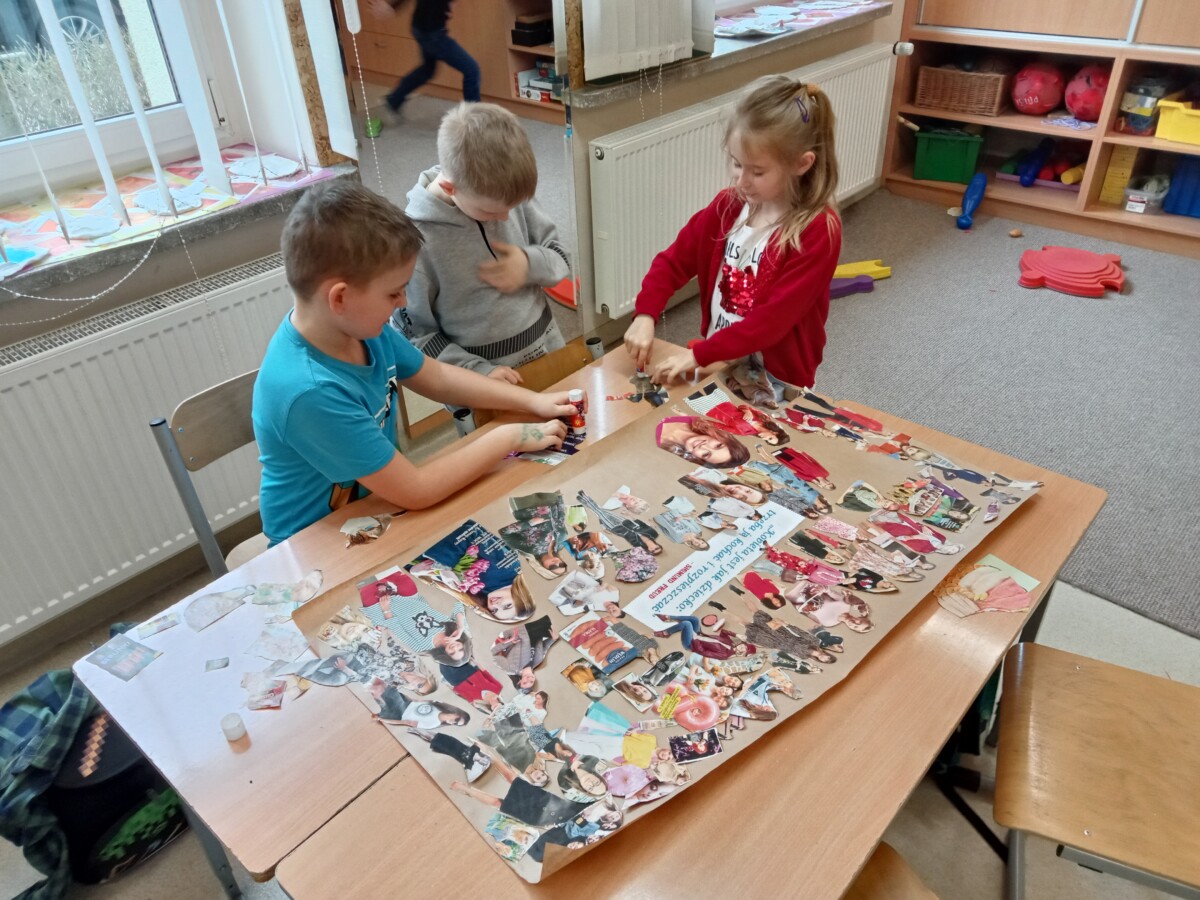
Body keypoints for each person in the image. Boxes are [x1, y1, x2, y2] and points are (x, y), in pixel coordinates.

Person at [252, 181, 572, 546]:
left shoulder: (357, 328)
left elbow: (437, 376)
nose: (403, 302)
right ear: (340, 298)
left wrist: (531, 401)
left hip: (379, 511)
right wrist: (510, 435)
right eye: (393, 292)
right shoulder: (309, 391)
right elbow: (417, 489)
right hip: (315, 545)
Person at [624, 74, 841, 396]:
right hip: (722, 363)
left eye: (757, 171)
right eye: (737, 164)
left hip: (780, 379)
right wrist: (645, 314)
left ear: (801, 164)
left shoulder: (818, 230)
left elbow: (771, 322)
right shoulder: (728, 207)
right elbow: (672, 262)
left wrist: (699, 355)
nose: (741, 181)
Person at [395, 103, 569, 381]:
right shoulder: (413, 243)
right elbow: (417, 335)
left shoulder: (506, 193)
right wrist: (478, 372)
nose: (505, 218)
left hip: (549, 352)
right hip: (481, 383)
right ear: (449, 187)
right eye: (490, 211)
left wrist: (529, 264)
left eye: (512, 208)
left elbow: (560, 256)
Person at [368, 0, 480, 117]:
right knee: (471, 70)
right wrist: (392, 7)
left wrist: (448, 5)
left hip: (422, 28)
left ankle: (394, 100)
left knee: (428, 69)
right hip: (432, 33)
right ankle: (474, 119)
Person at [655, 416, 750, 469]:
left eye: (706, 454)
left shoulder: (658, 448)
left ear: (697, 459)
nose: (703, 446)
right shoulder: (692, 416)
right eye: (718, 445)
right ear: (723, 438)